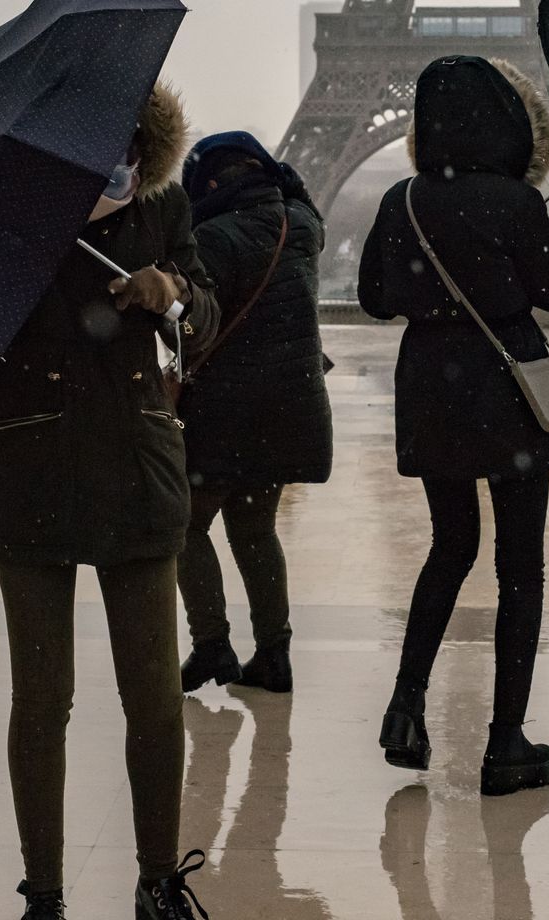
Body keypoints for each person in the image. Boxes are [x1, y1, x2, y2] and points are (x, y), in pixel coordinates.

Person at [0, 83, 219, 920]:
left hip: (133, 457)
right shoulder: (8, 206)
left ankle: (157, 880)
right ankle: (43, 893)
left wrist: (170, 293)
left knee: (151, 694)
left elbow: (207, 313)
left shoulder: (164, 205)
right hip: (30, 456)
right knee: (42, 698)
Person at [358, 55, 549, 796]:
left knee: (450, 546)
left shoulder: (401, 201)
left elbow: (372, 298)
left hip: (433, 387)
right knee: (520, 567)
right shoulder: (515, 203)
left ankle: (406, 706)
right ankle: (505, 742)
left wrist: (431, 298)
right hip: (508, 391)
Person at [175, 131, 334, 695]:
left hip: (224, 407)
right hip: (290, 403)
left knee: (186, 526)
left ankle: (211, 644)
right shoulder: (303, 226)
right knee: (256, 531)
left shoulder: (213, 236)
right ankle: (274, 653)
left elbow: (196, 329)